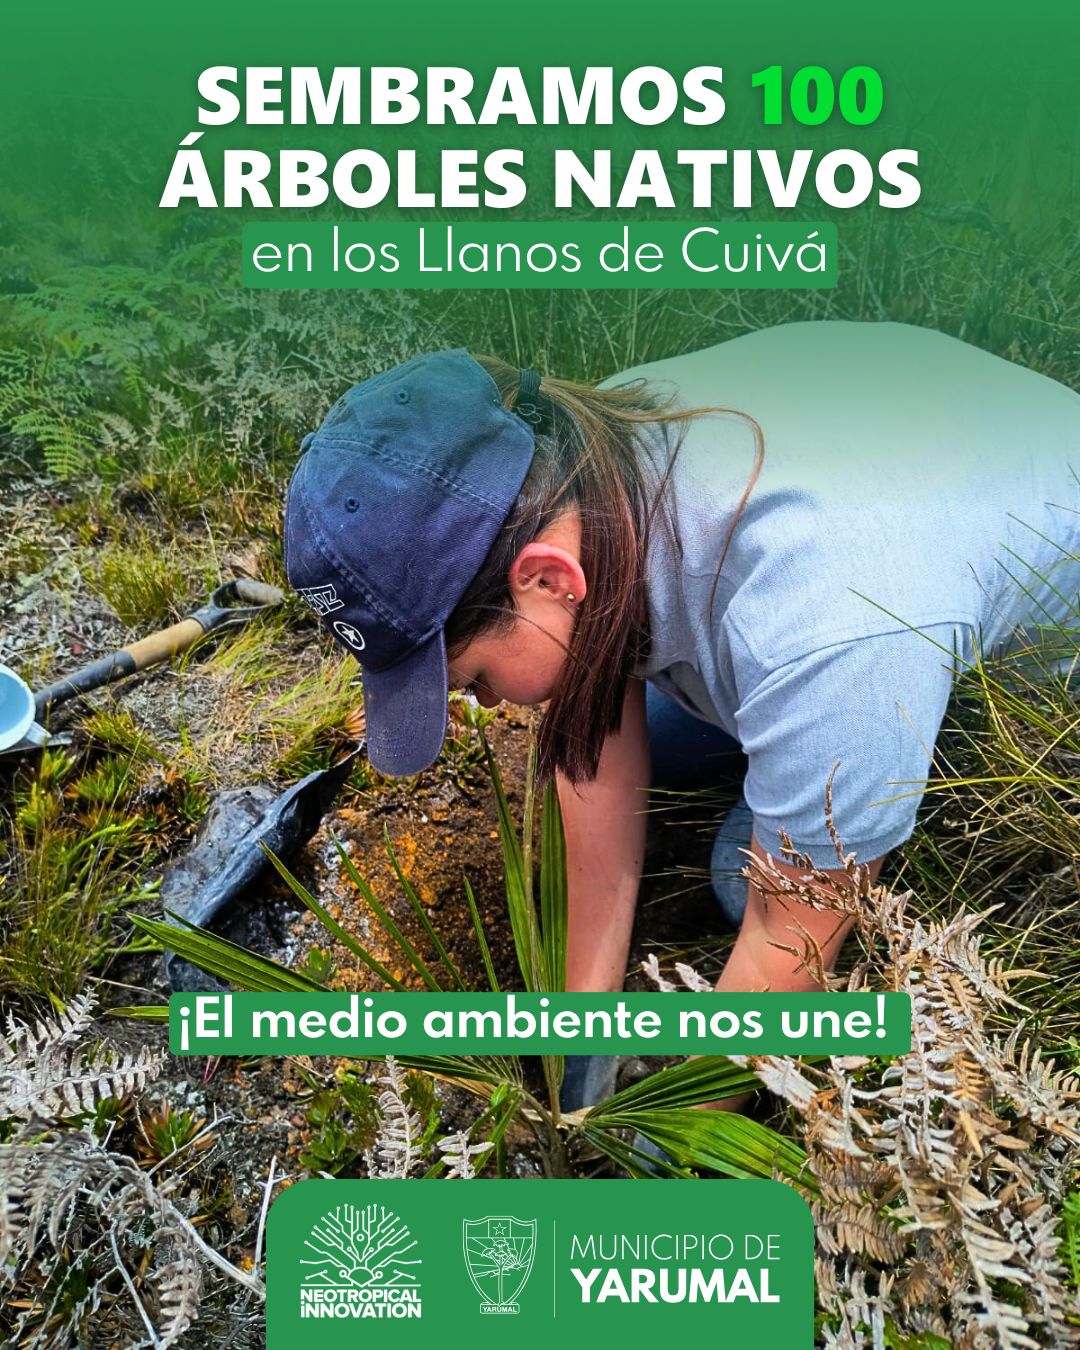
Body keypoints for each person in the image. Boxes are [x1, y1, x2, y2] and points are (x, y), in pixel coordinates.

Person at [283, 322, 1080, 1113]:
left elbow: (783, 944)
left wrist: (660, 1148)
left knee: (746, 881)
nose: (478, 704)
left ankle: (865, 790)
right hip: (896, 527)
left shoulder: (826, 623)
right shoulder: (585, 461)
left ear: (548, 577)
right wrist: (579, 1051)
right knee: (634, 743)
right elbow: (595, 750)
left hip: (1013, 691)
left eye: (472, 675)